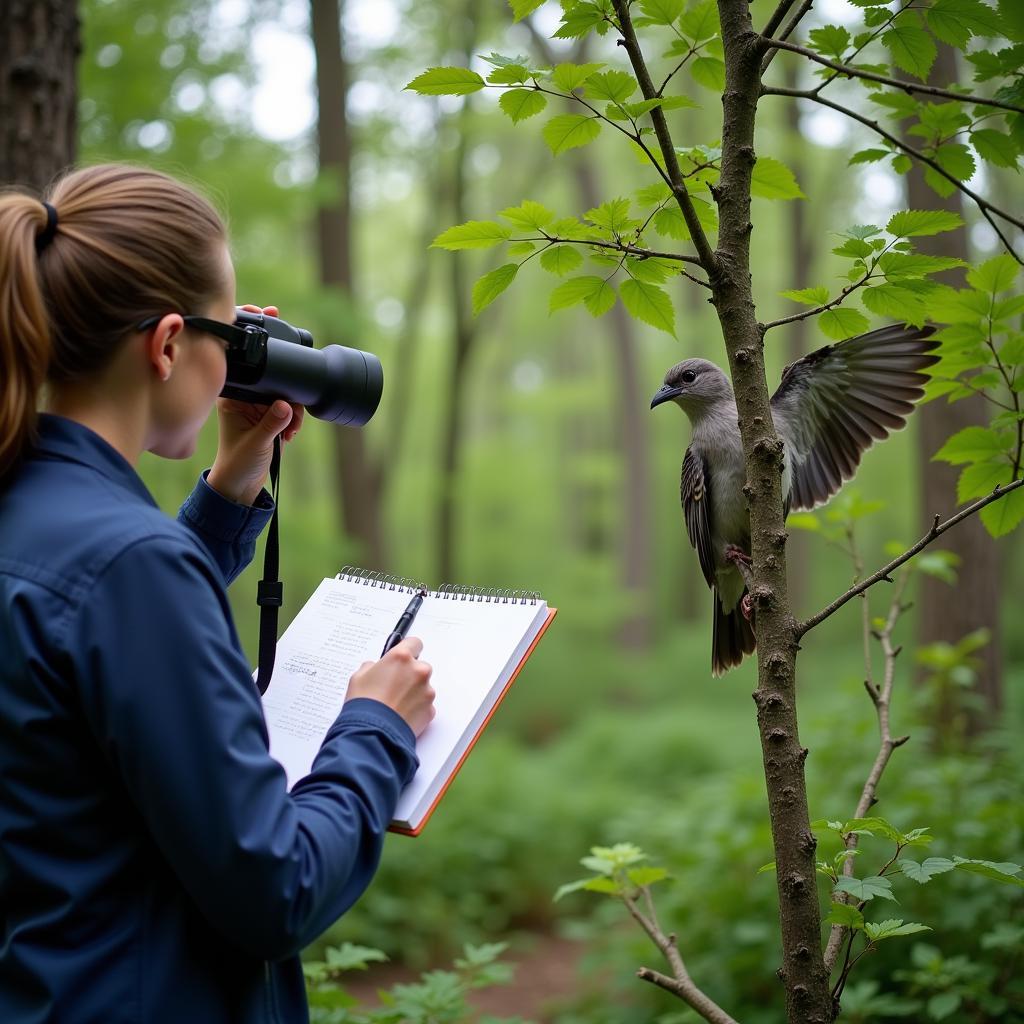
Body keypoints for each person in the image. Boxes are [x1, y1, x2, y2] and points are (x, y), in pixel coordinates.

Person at [0, 163, 436, 1024]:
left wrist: (233, 483)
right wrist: (376, 727)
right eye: (228, 333)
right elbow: (276, 890)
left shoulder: (37, 521)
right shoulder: (130, 566)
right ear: (167, 345)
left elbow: (84, 656)